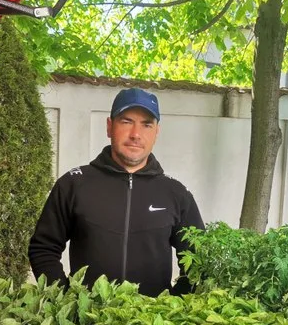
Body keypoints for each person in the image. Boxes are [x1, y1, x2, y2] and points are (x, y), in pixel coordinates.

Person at [28, 88, 204, 296]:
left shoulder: (176, 194)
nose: (136, 134)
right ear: (109, 127)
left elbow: (198, 262)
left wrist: (173, 307)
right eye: (126, 121)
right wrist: (65, 300)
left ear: (156, 132)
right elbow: (43, 248)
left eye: (146, 124)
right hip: (86, 324)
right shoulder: (73, 184)